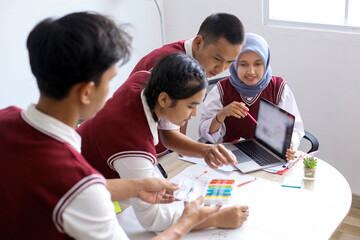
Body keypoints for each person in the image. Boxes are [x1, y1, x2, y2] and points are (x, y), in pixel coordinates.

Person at [0, 12, 224, 240]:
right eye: (109, 80)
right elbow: (82, 192)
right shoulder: (78, 185)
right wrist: (187, 221)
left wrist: (136, 187)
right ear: (86, 92)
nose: (112, 92)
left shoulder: (5, 119)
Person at [77, 52, 249, 232]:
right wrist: (215, 218)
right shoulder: (132, 144)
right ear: (164, 99)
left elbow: (167, 133)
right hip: (81, 199)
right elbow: (152, 220)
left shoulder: (144, 81)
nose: (194, 114)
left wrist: (205, 151)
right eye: (191, 105)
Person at [130, 12, 246, 157]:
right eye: (217, 58)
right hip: (140, 150)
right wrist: (205, 151)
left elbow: (178, 124)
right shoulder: (172, 66)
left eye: (230, 62)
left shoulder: (199, 61)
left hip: (163, 150)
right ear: (198, 43)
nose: (221, 69)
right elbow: (169, 136)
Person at [199, 33, 305, 159]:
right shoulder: (221, 89)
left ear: (266, 63)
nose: (251, 71)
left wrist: (290, 146)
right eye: (243, 64)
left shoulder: (278, 88)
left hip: (268, 158)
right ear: (234, 63)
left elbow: (295, 129)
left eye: (258, 64)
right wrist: (223, 113)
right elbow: (206, 134)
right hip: (232, 158)